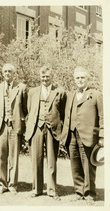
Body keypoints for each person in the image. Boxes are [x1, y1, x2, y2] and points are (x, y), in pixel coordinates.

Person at [61, 67, 103, 204]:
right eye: (77, 78)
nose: (80, 80)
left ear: (87, 79)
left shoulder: (96, 95)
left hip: (88, 136)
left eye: (82, 78)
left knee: (88, 165)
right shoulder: (71, 95)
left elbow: (103, 116)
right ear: (74, 80)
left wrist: (102, 136)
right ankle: (79, 192)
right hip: (71, 135)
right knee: (75, 164)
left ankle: (90, 193)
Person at [25, 66, 66, 200]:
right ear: (40, 77)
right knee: (36, 159)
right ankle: (36, 189)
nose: (45, 79)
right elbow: (30, 109)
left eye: (47, 76)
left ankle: (52, 190)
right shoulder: (32, 92)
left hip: (52, 129)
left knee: (52, 160)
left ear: (51, 77)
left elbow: (63, 112)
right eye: (43, 77)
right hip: (36, 128)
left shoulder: (59, 92)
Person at [0, 64, 28, 194]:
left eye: (10, 71)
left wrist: (20, 119)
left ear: (14, 73)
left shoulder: (22, 87)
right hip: (1, 126)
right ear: (2, 73)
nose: (7, 73)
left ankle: (13, 184)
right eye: (5, 71)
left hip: (15, 126)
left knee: (14, 157)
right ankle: (2, 184)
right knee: (1, 156)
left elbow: (25, 107)